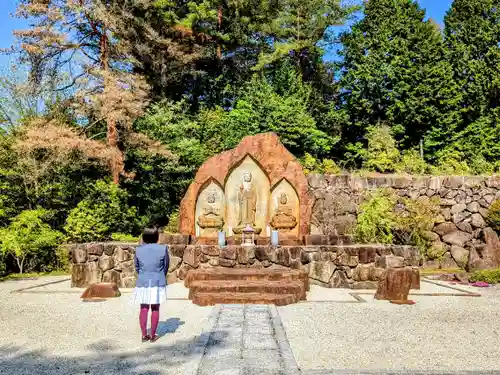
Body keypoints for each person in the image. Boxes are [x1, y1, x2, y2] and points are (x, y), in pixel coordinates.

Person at [133, 227, 169, 342]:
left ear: (144, 236)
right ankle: (153, 335)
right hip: (157, 280)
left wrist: (143, 274)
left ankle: (144, 335)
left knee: (143, 308)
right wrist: (159, 274)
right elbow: (166, 266)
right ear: (156, 237)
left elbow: (137, 267)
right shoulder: (163, 249)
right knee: (155, 308)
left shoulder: (138, 250)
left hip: (143, 280)